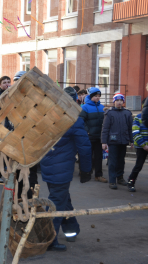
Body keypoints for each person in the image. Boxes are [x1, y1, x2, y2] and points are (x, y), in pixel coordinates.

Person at [41, 87, 92, 252]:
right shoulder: (74, 119)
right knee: (57, 202)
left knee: (63, 200)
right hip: (61, 168)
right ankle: (49, 239)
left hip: (48, 166)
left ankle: (71, 231)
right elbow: (84, 148)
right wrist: (86, 171)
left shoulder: (49, 115)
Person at [101, 93, 133, 190]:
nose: (119, 102)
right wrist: (103, 142)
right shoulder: (109, 113)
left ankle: (120, 177)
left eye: (121, 100)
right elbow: (105, 128)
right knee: (112, 161)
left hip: (123, 141)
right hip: (113, 141)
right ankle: (112, 180)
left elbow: (130, 128)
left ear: (123, 102)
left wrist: (131, 140)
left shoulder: (127, 113)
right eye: (117, 100)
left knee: (121, 161)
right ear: (114, 101)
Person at [79, 87, 107, 183]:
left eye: (99, 96)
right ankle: (86, 173)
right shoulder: (85, 107)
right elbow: (81, 121)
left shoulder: (102, 107)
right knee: (88, 156)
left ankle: (98, 175)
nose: (97, 98)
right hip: (89, 136)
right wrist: (87, 130)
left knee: (99, 157)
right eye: (95, 96)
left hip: (99, 137)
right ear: (91, 96)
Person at [127, 112, 148, 192]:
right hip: (141, 146)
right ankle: (130, 182)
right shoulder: (138, 117)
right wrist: (143, 145)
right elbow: (135, 132)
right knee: (138, 166)